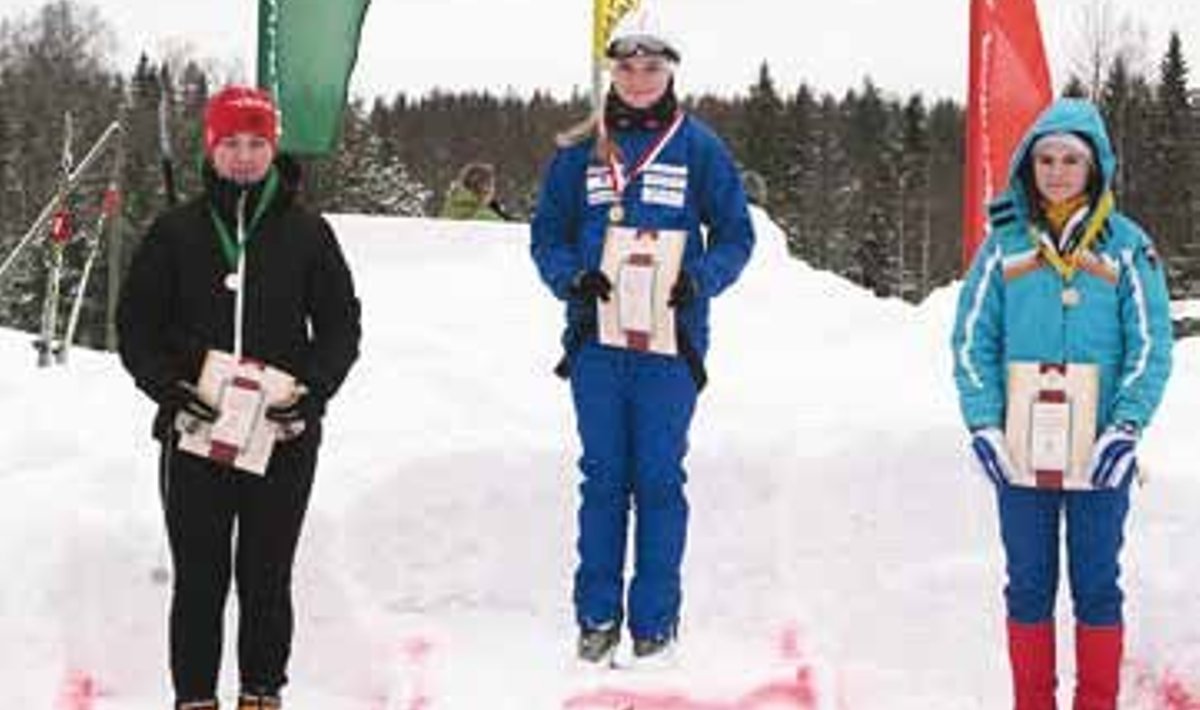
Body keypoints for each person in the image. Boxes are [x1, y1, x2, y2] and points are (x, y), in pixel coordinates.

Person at [117, 86, 361, 710]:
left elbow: (340, 326)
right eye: (232, 143)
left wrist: (310, 396)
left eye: (257, 143)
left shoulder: (309, 234)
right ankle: (195, 697)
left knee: (266, 579)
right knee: (200, 580)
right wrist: (168, 390)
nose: (245, 157)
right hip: (195, 434)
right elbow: (136, 328)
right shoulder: (176, 232)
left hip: (281, 437)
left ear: (273, 149)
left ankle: (261, 694)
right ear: (212, 147)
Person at [530, 8, 754, 666]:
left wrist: (699, 279)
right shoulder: (579, 148)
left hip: (669, 349)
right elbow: (547, 233)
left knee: (658, 480)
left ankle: (655, 623)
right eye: (625, 66)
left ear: (670, 71)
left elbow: (738, 234)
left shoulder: (700, 146)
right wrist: (571, 278)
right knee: (603, 479)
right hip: (596, 343)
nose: (637, 78)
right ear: (611, 71)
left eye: (651, 67)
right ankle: (596, 617)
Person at [951, 98, 1172, 709]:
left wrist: (1126, 427)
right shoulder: (1002, 247)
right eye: (1045, 158)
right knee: (1028, 585)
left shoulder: (1129, 247)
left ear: (1095, 166)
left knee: (1098, 585)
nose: (1056, 171)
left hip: (1099, 453)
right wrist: (984, 425)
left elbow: (1150, 346)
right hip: (1022, 454)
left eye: (1071, 159)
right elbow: (972, 340)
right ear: (1029, 165)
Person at [439, 161, 509, 221]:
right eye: (492, 186)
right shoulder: (483, 216)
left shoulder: (450, 207)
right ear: (485, 189)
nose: (493, 192)